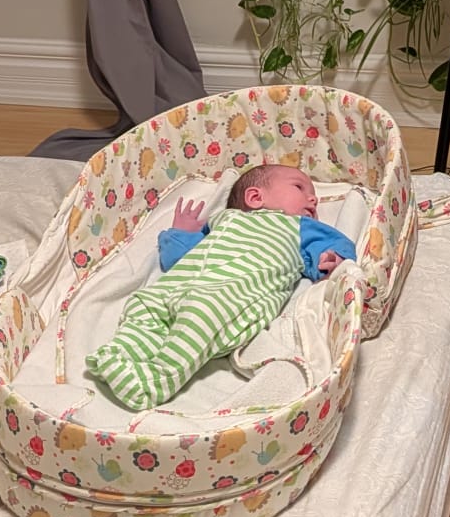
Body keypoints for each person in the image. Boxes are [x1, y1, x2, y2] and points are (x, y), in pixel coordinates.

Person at [87, 164, 357, 410]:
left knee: (200, 318)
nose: (313, 199)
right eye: (300, 187)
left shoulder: (300, 227)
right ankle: (121, 354)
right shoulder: (223, 219)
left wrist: (333, 259)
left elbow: (337, 244)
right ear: (255, 197)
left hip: (229, 297)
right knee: (144, 305)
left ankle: (156, 379)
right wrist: (180, 233)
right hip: (177, 284)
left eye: (313, 195)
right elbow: (175, 259)